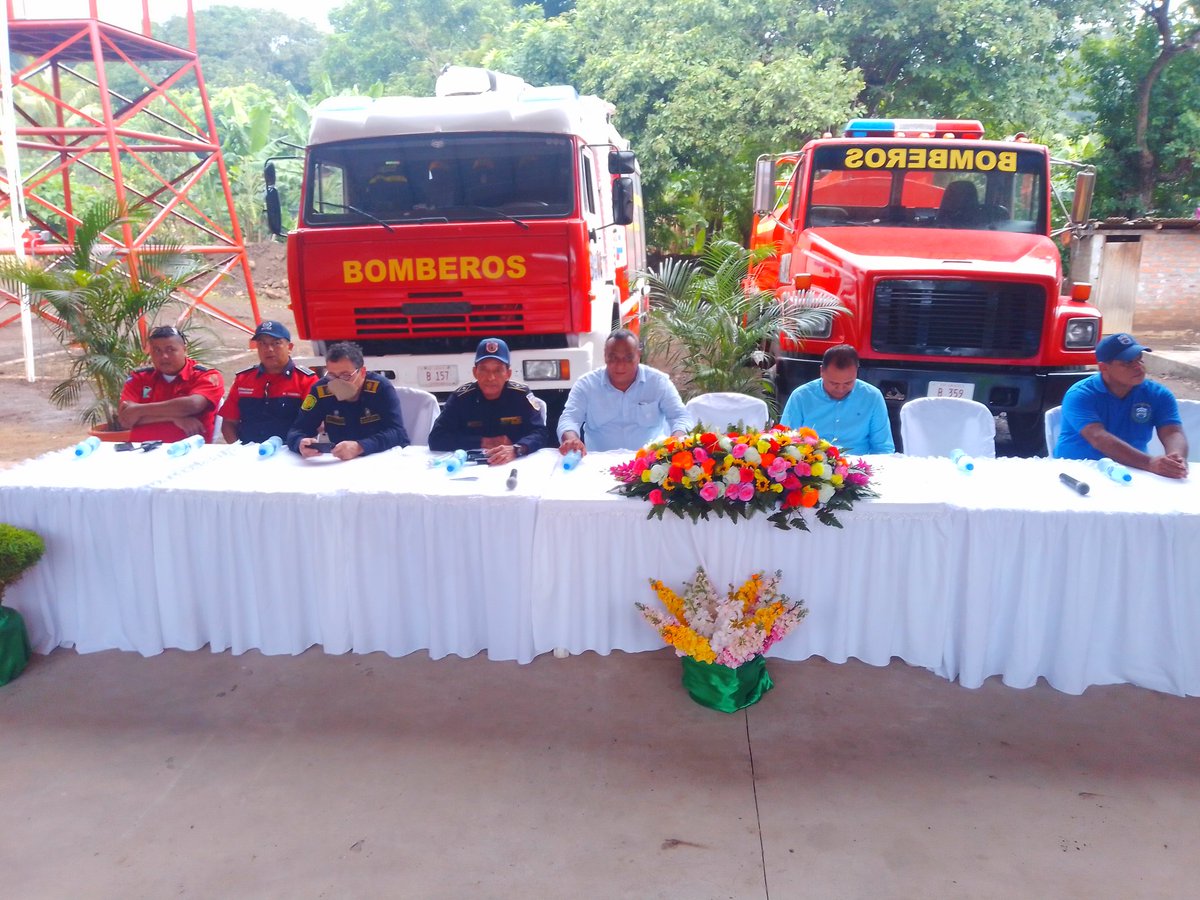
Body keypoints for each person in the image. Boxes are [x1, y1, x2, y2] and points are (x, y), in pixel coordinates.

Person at [1054, 332, 1188, 478]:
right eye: (1128, 363)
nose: (1138, 367)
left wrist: (1176, 459)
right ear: (1104, 368)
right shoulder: (1080, 394)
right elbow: (1098, 437)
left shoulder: (1157, 394)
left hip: (1133, 469)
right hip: (1079, 470)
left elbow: (1172, 431)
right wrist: (1150, 463)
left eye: (1140, 360)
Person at [557, 329, 691, 454]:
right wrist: (571, 439)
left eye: (628, 358)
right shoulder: (586, 385)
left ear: (638, 355)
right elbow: (570, 418)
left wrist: (677, 438)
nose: (620, 365)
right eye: (613, 358)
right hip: (598, 464)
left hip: (649, 466)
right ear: (605, 356)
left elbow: (680, 416)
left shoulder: (659, 382)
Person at [428, 338, 551, 465]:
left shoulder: (520, 395)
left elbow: (540, 433)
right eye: (484, 370)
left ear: (508, 374)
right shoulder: (461, 398)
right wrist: (482, 441)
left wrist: (518, 449)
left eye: (497, 370)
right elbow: (436, 439)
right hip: (470, 466)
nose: (490, 378)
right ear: (475, 372)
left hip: (513, 463)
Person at [286, 341, 409, 460]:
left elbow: (398, 433)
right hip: (339, 461)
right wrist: (300, 444)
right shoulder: (320, 390)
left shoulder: (380, 388)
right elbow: (297, 430)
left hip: (381, 457)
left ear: (362, 372)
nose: (338, 381)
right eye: (332, 375)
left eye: (345, 375)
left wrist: (360, 446)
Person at [118, 325, 225, 443]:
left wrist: (138, 410)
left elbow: (192, 406)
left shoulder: (205, 375)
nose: (164, 356)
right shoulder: (139, 377)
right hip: (140, 452)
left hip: (190, 453)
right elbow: (125, 419)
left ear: (185, 349)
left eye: (170, 350)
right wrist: (173, 417)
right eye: (157, 350)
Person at [779, 344, 894, 454]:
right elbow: (786, 440)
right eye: (833, 383)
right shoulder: (801, 396)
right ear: (821, 372)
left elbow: (883, 447)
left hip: (860, 467)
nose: (840, 389)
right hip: (814, 467)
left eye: (848, 383)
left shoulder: (872, 397)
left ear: (856, 373)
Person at [218, 320, 317, 444]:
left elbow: (314, 424)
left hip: (290, 453)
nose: (269, 349)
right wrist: (239, 451)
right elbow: (229, 423)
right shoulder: (244, 379)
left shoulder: (306, 380)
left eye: (276, 343)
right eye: (262, 344)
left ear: (289, 347)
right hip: (247, 453)